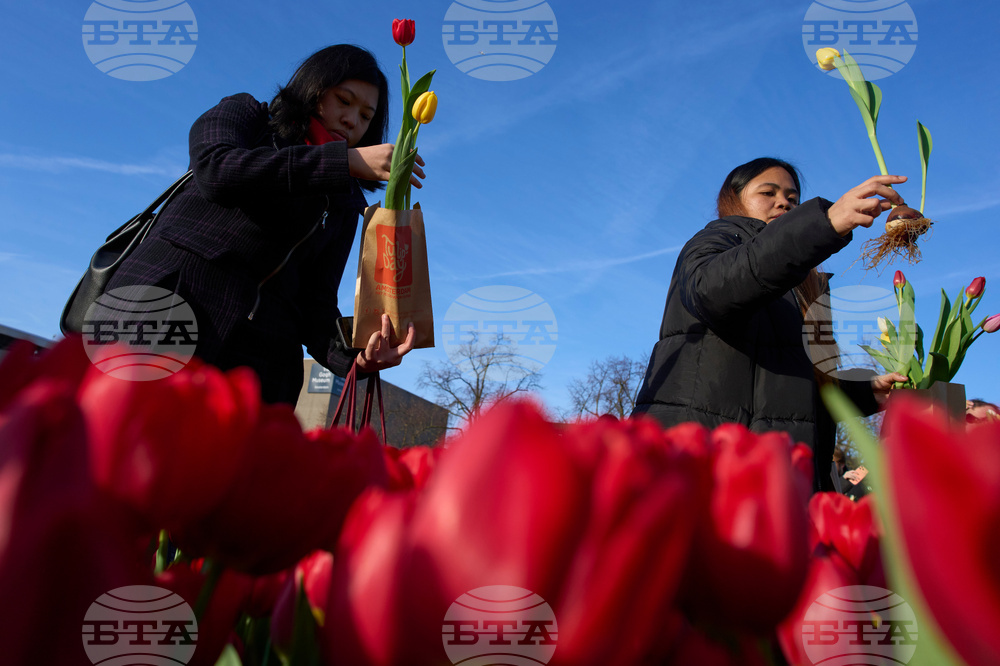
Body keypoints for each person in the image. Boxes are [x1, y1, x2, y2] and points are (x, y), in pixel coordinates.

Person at [105, 45, 422, 404]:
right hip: (162, 317)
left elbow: (316, 304)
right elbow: (216, 171)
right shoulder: (248, 116)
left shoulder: (346, 199)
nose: (352, 121)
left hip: (259, 367)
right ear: (314, 88)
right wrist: (340, 162)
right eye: (344, 101)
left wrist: (358, 355)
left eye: (366, 116)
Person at [631, 157, 907, 492]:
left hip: (782, 477)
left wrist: (863, 392)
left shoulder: (806, 286)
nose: (784, 203)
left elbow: (795, 386)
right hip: (704, 469)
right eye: (768, 192)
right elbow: (713, 291)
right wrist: (824, 223)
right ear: (734, 199)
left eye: (793, 199)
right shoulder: (715, 243)